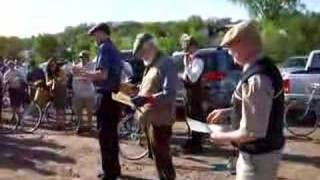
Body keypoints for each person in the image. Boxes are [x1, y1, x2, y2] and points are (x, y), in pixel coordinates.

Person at [207, 20, 285, 180]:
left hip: (257, 160)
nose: (229, 52)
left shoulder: (257, 78)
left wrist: (219, 136)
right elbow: (262, 107)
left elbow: (251, 132)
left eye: (231, 46)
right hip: (260, 157)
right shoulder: (262, 68)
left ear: (246, 45)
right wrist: (229, 111)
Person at [73, 23, 123, 180]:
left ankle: (109, 173)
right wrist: (86, 74)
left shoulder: (105, 48)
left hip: (106, 96)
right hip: (113, 96)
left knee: (105, 135)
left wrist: (83, 72)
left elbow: (103, 75)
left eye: (95, 34)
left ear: (102, 33)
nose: (94, 38)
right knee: (112, 136)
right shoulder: (113, 48)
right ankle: (114, 169)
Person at [131, 33, 178, 180]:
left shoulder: (166, 63)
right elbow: (150, 87)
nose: (141, 57)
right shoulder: (151, 65)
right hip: (151, 119)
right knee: (157, 158)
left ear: (151, 47)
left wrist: (146, 98)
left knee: (163, 158)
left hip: (161, 120)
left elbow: (169, 94)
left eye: (142, 52)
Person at [180, 33, 205, 153]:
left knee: (196, 117)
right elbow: (187, 77)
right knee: (189, 117)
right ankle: (191, 141)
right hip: (188, 94)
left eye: (188, 48)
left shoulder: (198, 60)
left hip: (195, 95)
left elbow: (194, 78)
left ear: (193, 47)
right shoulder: (190, 60)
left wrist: (186, 66)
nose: (186, 51)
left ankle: (197, 144)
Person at [72, 50, 96, 134]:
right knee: (78, 111)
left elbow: (89, 79)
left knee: (89, 111)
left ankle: (89, 126)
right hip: (78, 93)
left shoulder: (92, 66)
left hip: (89, 93)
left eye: (84, 57)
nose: (82, 59)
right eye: (81, 57)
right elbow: (74, 77)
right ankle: (80, 126)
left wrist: (83, 77)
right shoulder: (76, 66)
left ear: (87, 58)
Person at [46, 57, 67, 130]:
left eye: (53, 64)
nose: (52, 66)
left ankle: (62, 124)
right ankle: (58, 124)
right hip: (54, 91)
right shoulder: (48, 72)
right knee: (57, 109)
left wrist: (58, 80)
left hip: (61, 90)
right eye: (51, 65)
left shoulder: (61, 71)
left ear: (56, 65)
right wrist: (51, 82)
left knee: (61, 108)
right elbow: (47, 83)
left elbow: (64, 79)